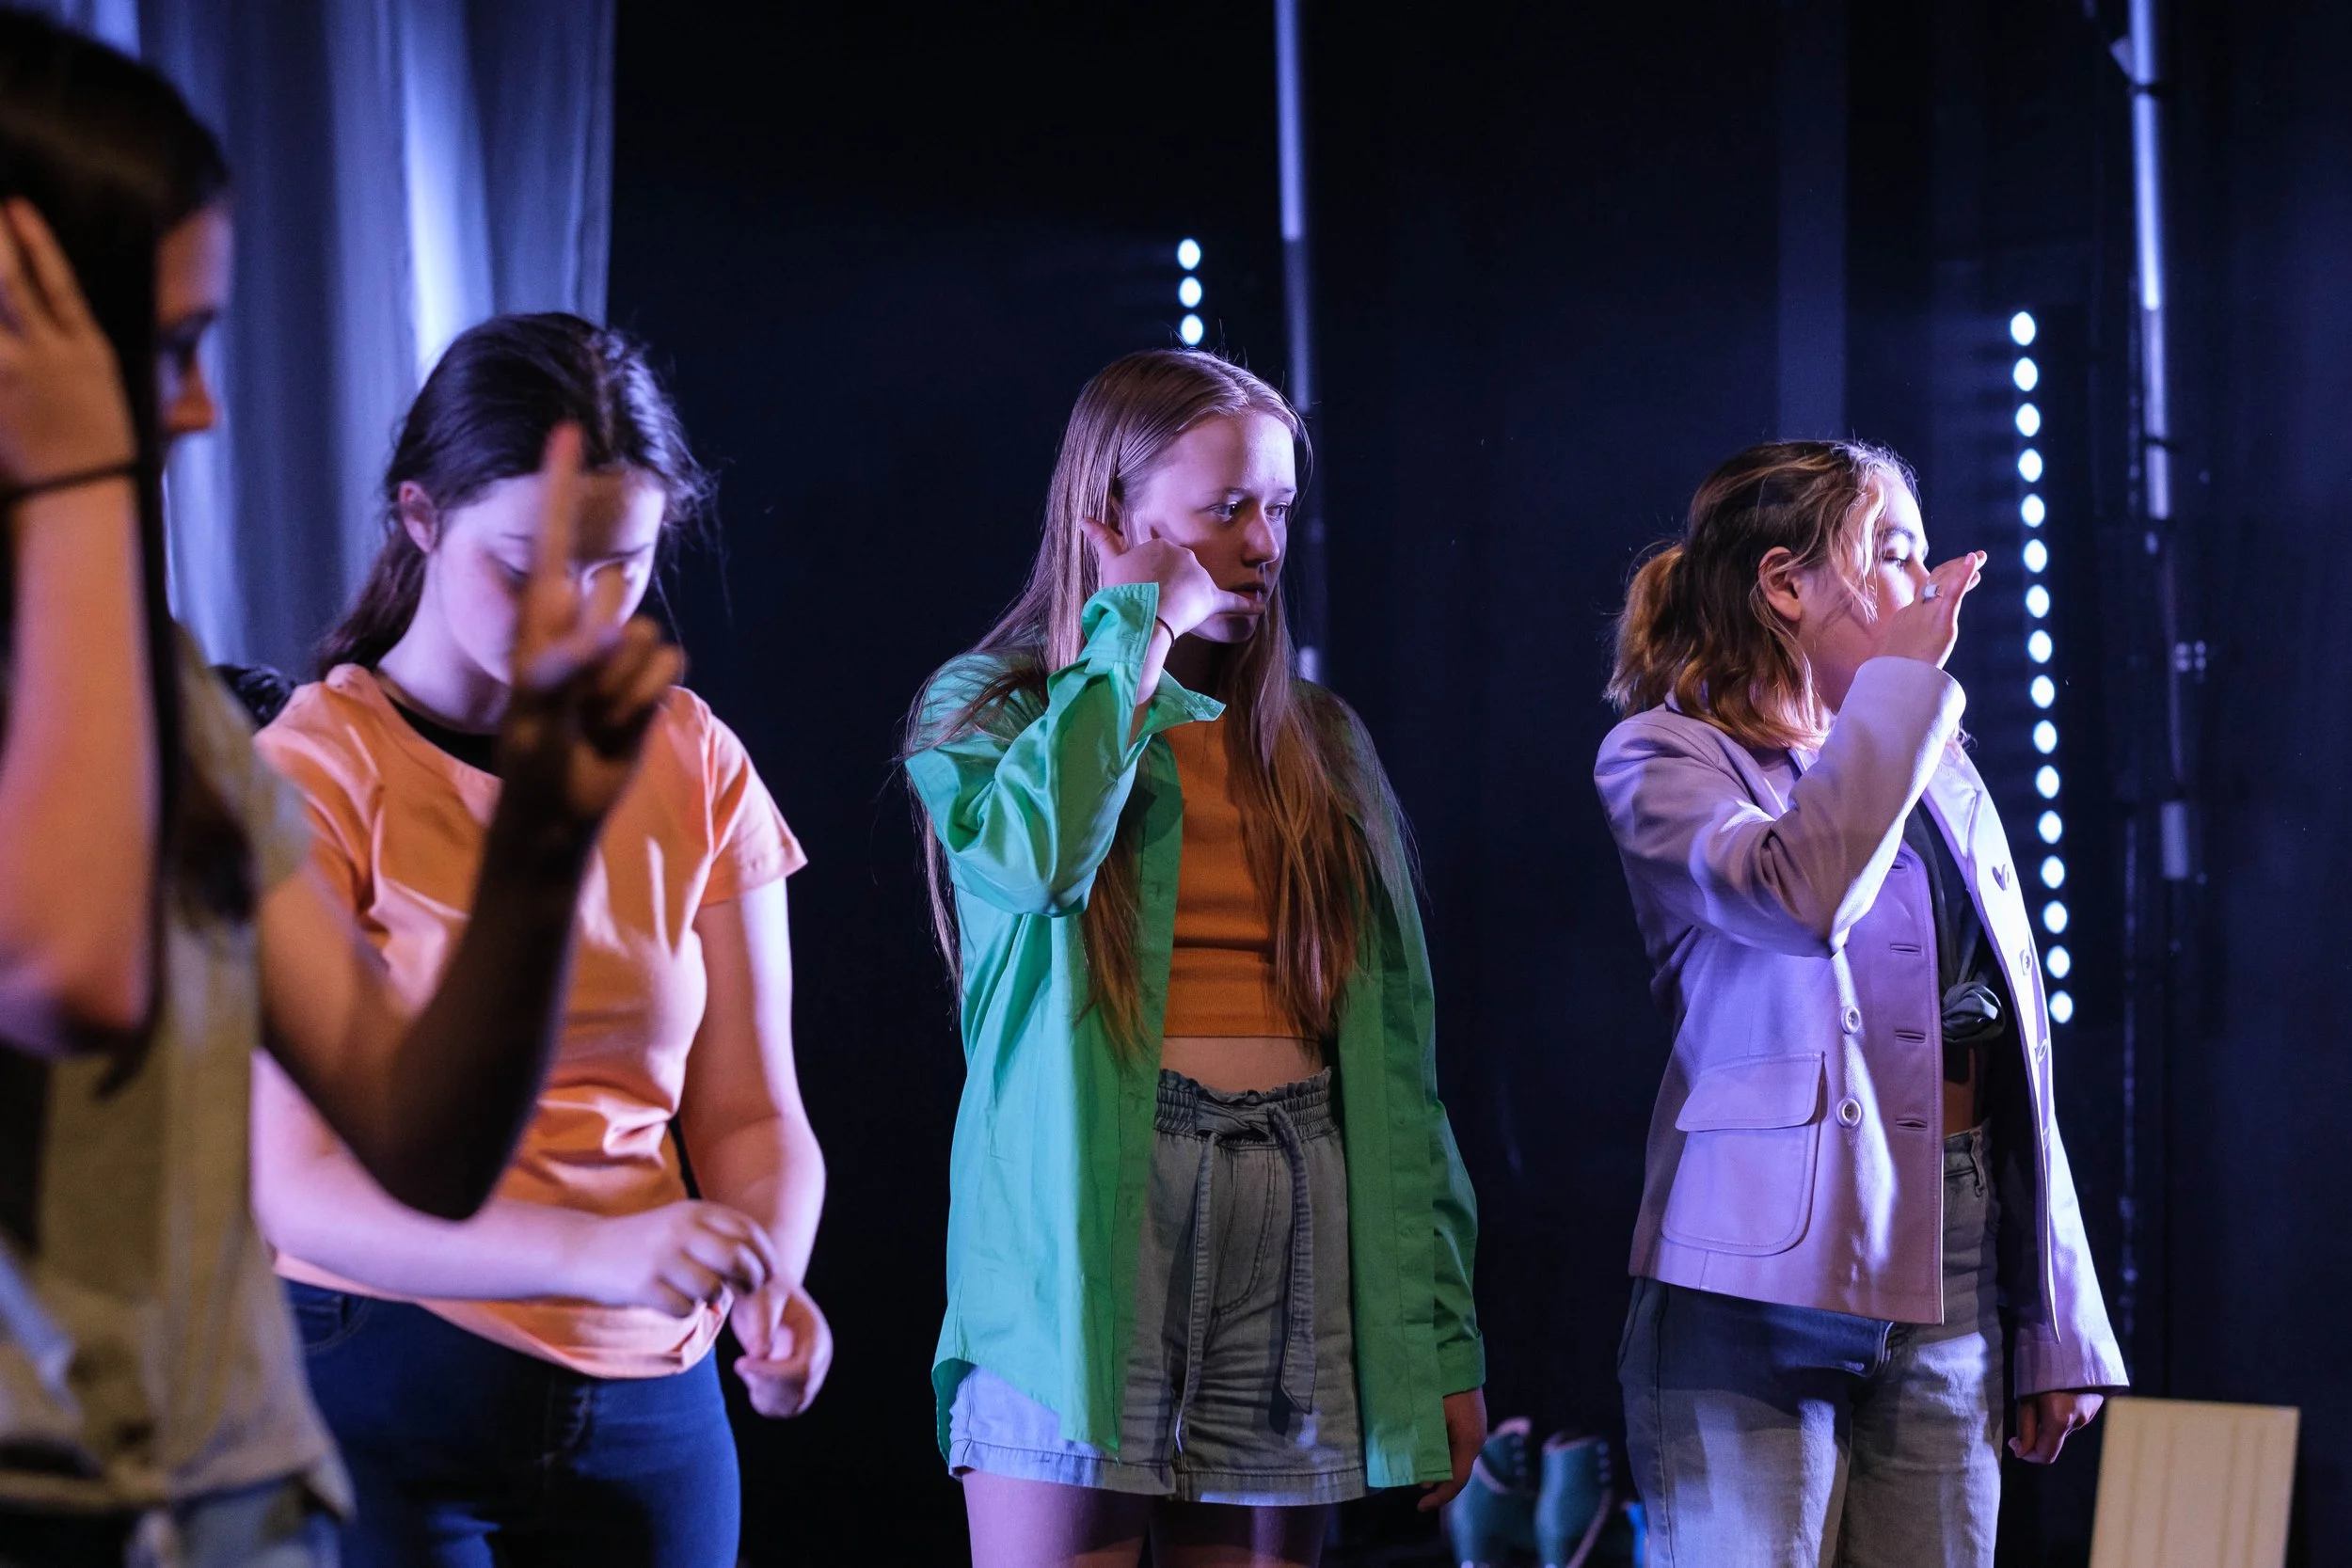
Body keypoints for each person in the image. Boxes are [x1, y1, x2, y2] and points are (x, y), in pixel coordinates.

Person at [0, 15, 679, 1567]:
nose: (196, 408)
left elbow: (419, 1132)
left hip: (220, 1499)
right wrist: (79, 479)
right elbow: (74, 968)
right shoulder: (139, 678)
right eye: (162, 350)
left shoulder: (168, 700)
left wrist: (543, 842)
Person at [247, 313, 831, 1568]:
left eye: (620, 565)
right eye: (528, 564)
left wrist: (766, 1276)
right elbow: (293, 1181)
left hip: (654, 1386)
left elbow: (750, 1110)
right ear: (420, 516)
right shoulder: (312, 768)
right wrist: (600, 1253)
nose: (578, 611)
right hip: (387, 1364)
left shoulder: (691, 754)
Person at [902, 349, 1485, 1568]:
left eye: (1278, 507)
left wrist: (1440, 1339)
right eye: (1225, 509)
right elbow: (1038, 860)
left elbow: (1398, 1070)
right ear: (1111, 516)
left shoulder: (1320, 742)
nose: (1262, 544)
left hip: (1299, 1205)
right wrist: (1137, 631)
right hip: (1087, 1239)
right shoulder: (993, 707)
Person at [1593, 440, 2128, 1567]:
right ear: (1785, 583)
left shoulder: (1936, 766)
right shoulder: (1664, 757)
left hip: (1954, 1254)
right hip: (1755, 1281)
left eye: (1922, 556)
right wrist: (1899, 693)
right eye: (1891, 553)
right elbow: (1801, 895)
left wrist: (2059, 1315)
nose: (1923, 587)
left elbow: (2019, 1047)